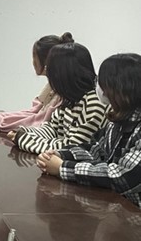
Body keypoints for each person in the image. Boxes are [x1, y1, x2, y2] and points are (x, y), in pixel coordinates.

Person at [37, 53, 141, 208]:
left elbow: (121, 177)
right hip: (118, 208)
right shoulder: (118, 119)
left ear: (121, 89)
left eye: (104, 84)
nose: (100, 89)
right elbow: (96, 149)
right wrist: (60, 154)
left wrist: (62, 167)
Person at [8, 42, 109, 154]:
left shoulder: (94, 103)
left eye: (49, 70)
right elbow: (52, 129)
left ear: (62, 74)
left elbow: (73, 148)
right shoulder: (70, 98)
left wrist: (25, 140)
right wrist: (23, 132)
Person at [0, 32, 73, 132]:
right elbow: (34, 112)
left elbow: (38, 122)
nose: (33, 62)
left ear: (46, 61)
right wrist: (2, 116)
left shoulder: (61, 92)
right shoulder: (53, 85)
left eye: (34, 57)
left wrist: (2, 122)